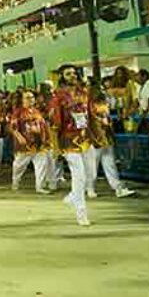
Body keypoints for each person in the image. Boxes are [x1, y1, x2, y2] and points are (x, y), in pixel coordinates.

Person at [50, 64, 94, 226]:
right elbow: (54, 124)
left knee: (91, 175)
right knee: (79, 175)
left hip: (85, 138)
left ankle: (73, 196)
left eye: (74, 73)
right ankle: (81, 213)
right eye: (68, 74)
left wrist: (95, 135)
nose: (73, 76)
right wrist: (56, 147)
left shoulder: (84, 93)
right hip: (68, 141)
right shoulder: (58, 97)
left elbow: (90, 116)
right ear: (62, 77)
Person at [83, 91, 136, 199]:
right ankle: (89, 188)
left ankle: (118, 188)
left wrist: (107, 125)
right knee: (92, 166)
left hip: (106, 139)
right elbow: (87, 125)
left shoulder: (103, 107)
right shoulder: (87, 109)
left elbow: (108, 122)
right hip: (94, 140)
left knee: (110, 164)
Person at [8, 90, 52, 194]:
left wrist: (46, 139)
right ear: (22, 100)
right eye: (27, 98)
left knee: (41, 164)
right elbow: (13, 127)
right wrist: (19, 137)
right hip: (25, 145)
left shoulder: (37, 111)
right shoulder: (18, 112)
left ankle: (39, 186)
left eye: (32, 97)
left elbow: (43, 125)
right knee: (19, 165)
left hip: (38, 144)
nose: (31, 100)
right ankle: (15, 182)